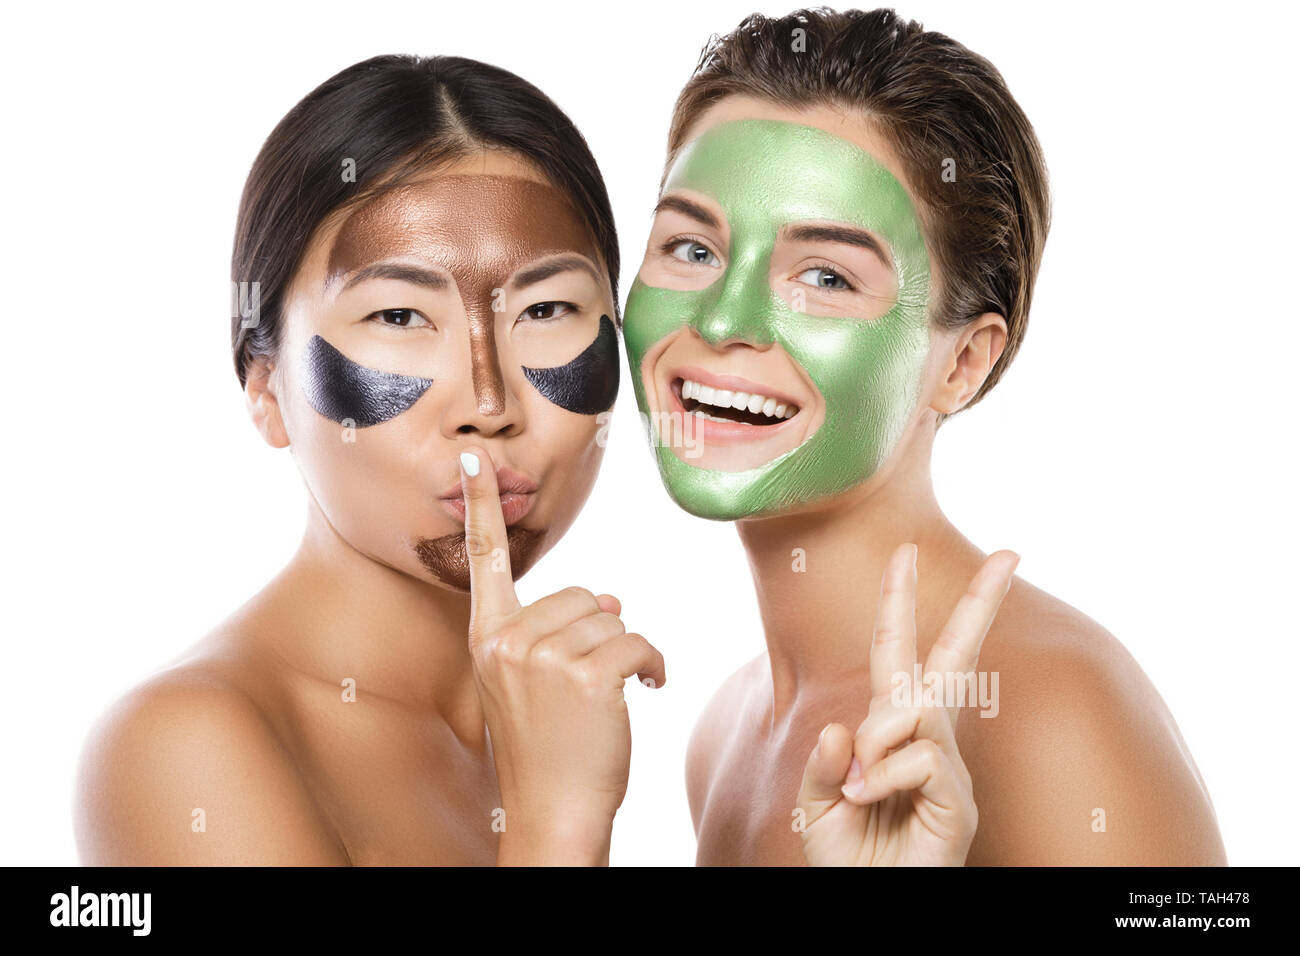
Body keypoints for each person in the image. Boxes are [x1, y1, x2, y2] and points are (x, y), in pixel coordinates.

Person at [623, 8, 1226, 865]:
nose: (722, 320)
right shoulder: (726, 733)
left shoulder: (1054, 710)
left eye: (825, 275)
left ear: (964, 362)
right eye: (690, 249)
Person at [74, 54, 662, 866]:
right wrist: (556, 826)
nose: (488, 405)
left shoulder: (549, 714)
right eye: (398, 314)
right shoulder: (186, 747)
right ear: (265, 388)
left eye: (548, 308)